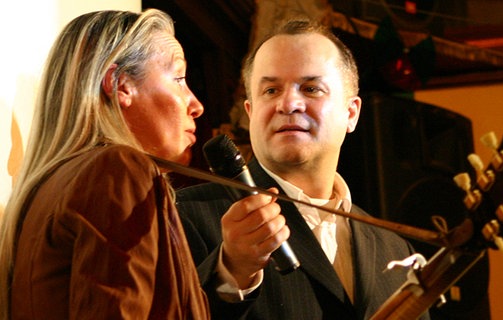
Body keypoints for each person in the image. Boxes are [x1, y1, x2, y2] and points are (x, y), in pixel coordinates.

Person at [177, 19, 429, 319]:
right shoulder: (181, 216)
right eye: (270, 90)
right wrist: (231, 271)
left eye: (311, 88)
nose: (288, 104)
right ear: (250, 112)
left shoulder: (395, 250)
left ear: (351, 113)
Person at [0, 9, 210, 319]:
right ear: (121, 85)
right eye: (178, 78)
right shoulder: (117, 169)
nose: (196, 105)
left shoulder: (48, 186)